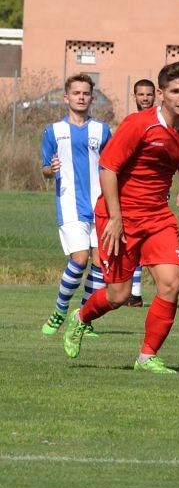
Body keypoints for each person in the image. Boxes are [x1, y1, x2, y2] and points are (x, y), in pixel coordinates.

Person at [63, 62, 179, 374]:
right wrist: (115, 218)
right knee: (119, 294)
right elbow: (108, 168)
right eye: (175, 91)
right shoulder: (139, 124)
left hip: (158, 218)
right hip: (120, 217)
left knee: (171, 283)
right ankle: (81, 318)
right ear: (161, 94)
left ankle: (147, 356)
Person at [38, 74, 111, 338]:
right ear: (66, 97)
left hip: (100, 205)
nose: (81, 97)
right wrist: (51, 169)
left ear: (91, 97)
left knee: (100, 264)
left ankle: (83, 318)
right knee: (79, 259)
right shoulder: (53, 131)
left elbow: (111, 167)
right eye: (76, 93)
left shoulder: (102, 130)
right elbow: (45, 169)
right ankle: (59, 312)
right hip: (69, 204)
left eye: (86, 93)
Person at [127, 78, 158, 308]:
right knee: (133, 244)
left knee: (150, 244)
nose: (145, 98)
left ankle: (136, 292)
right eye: (141, 94)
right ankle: (132, 292)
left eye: (149, 94)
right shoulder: (130, 123)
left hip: (156, 194)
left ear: (155, 95)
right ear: (135, 96)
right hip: (132, 194)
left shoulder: (162, 122)